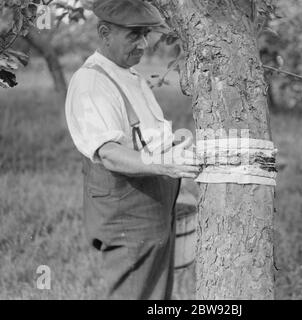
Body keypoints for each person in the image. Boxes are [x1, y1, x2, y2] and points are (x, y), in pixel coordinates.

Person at [65, 0, 200, 299]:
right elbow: (109, 151)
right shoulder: (92, 84)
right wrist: (164, 164)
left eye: (146, 34)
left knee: (154, 297)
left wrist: (172, 143)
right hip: (129, 217)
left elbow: (142, 137)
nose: (143, 44)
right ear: (104, 32)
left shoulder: (129, 75)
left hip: (151, 212)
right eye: (134, 34)